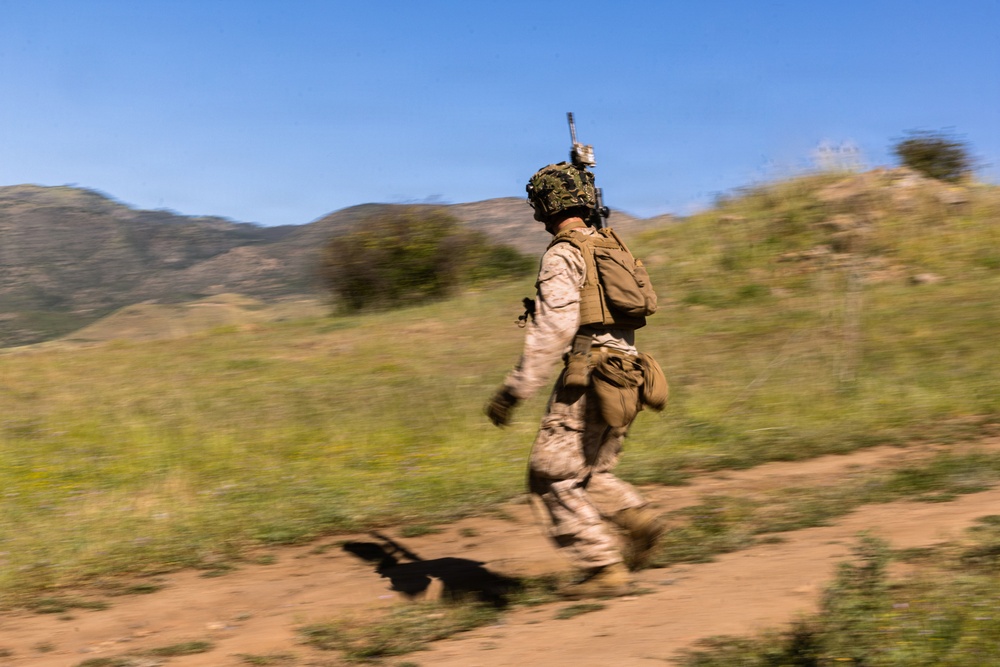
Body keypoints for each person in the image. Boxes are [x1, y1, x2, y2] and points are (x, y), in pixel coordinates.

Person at [485, 162, 665, 599]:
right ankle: (637, 518)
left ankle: (603, 567)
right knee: (588, 470)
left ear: (544, 207)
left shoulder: (562, 255)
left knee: (551, 476)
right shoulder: (611, 246)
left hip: (588, 379)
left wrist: (515, 390)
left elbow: (554, 330)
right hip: (629, 373)